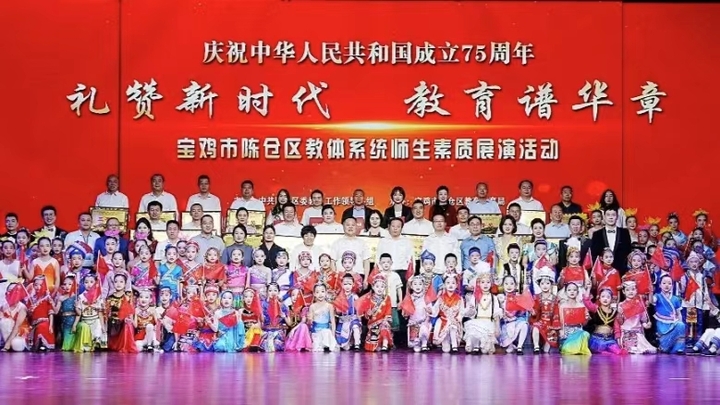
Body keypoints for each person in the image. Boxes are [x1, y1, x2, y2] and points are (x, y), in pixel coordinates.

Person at [590, 208, 632, 274]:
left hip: (621, 271)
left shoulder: (624, 232)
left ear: (617, 217)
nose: (611, 217)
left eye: (613, 215)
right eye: (608, 215)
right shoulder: (597, 234)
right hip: (603, 272)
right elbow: (594, 254)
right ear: (604, 217)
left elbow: (628, 251)